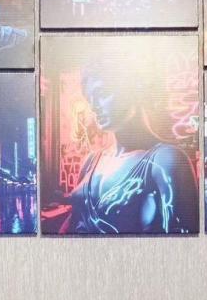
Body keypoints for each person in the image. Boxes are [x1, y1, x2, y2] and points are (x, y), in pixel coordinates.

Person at [60, 58, 198, 235]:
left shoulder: (166, 159)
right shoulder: (91, 161)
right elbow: (74, 222)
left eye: (102, 93)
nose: (94, 106)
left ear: (133, 89)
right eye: (89, 98)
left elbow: (183, 238)